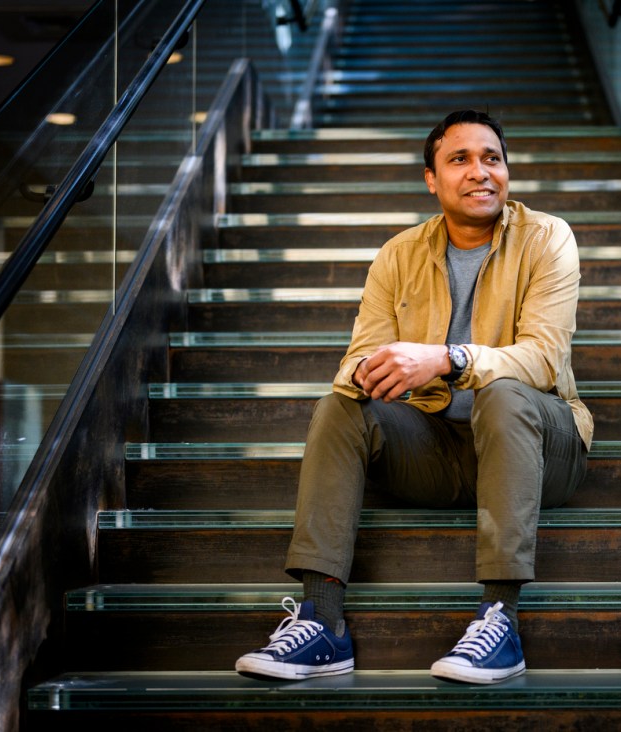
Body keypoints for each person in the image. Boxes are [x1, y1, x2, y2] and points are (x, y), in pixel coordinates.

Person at [234, 109, 592, 685]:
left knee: (503, 394)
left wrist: (446, 359)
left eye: (492, 158)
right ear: (431, 179)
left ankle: (500, 619)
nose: (481, 172)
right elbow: (356, 362)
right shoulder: (397, 255)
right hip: (437, 449)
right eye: (460, 159)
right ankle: (322, 624)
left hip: (544, 451)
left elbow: (543, 361)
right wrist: (377, 374)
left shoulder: (548, 238)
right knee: (338, 408)